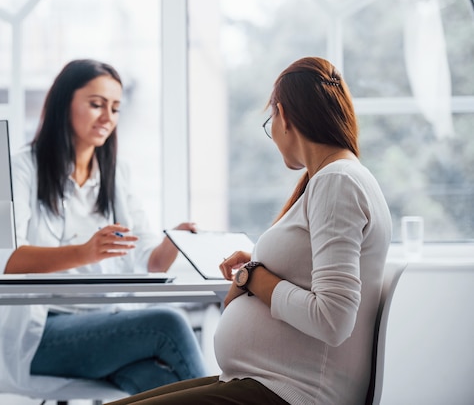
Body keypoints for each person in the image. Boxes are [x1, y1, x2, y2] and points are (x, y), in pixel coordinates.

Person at [107, 56, 392, 405]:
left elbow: (332, 320)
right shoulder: (333, 180)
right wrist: (257, 264)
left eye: (269, 119)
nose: (272, 132)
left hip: (290, 394)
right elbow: (310, 274)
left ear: (284, 115)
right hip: (263, 383)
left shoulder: (338, 182)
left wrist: (253, 278)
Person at [0, 59, 207, 396]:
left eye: (115, 108)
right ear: (63, 103)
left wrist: (172, 243)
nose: (107, 118)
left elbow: (149, 262)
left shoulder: (116, 175)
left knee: (158, 384)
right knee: (167, 323)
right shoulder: (23, 169)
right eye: (96, 104)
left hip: (106, 323)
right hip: (41, 332)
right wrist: (85, 252)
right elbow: (7, 261)